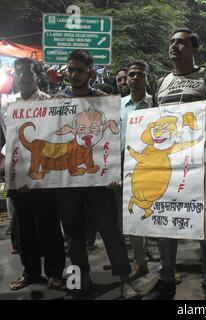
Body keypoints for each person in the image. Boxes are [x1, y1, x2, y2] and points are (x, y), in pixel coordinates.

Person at [142, 28, 206, 300]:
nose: (174, 46)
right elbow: (155, 120)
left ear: (194, 49)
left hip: (202, 165)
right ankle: (165, 277)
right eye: (171, 42)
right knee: (166, 221)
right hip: (168, 166)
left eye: (181, 42)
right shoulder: (161, 82)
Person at [54, 49, 138, 300]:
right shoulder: (57, 101)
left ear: (90, 71)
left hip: (99, 182)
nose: (73, 75)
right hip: (67, 183)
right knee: (74, 237)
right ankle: (80, 283)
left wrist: (113, 171)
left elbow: (112, 142)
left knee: (111, 232)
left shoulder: (105, 100)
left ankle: (125, 282)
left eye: (79, 70)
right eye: (70, 70)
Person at [2, 58, 66, 291]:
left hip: (45, 177)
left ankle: (55, 273)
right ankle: (30, 272)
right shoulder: (6, 105)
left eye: (26, 73)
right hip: (18, 176)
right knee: (24, 227)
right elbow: (4, 138)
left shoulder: (50, 103)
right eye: (18, 73)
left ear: (37, 77)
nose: (21, 77)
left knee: (49, 226)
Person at [120, 60, 153, 281]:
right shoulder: (119, 105)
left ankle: (168, 266)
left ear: (146, 78)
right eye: (131, 74)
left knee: (156, 216)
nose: (134, 78)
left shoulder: (156, 103)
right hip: (125, 168)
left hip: (153, 168)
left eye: (139, 74)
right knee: (131, 218)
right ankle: (140, 263)